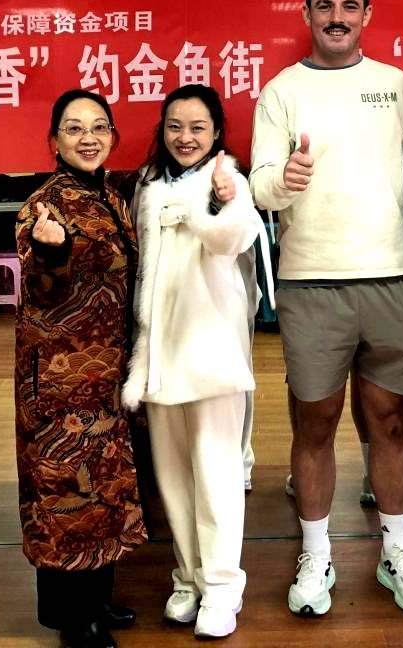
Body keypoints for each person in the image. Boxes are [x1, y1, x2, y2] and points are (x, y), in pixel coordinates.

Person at [250, 0, 403, 618]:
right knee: (315, 422)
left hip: (394, 276)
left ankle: (395, 550)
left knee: (389, 421)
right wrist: (284, 181)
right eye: (324, 6)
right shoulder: (280, 92)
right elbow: (259, 183)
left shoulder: (395, 85)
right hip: (311, 283)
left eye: (348, 6)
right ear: (306, 13)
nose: (336, 17)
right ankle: (315, 553)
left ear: (366, 14)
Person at [121, 84, 262, 640]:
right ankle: (188, 578)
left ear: (217, 132)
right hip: (159, 357)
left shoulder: (228, 181)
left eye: (198, 127)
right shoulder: (146, 185)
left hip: (212, 355)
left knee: (217, 476)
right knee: (174, 481)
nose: (185, 137)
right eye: (175, 126)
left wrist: (218, 203)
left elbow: (234, 238)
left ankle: (223, 587)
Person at [16, 89, 146, 648]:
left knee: (105, 486)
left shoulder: (112, 195)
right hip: (59, 377)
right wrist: (51, 250)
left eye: (98, 127)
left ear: (112, 136)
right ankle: (72, 618)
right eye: (73, 129)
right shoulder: (43, 205)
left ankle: (97, 598)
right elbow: (44, 285)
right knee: (63, 489)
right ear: (54, 142)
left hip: (107, 372)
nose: (88, 138)